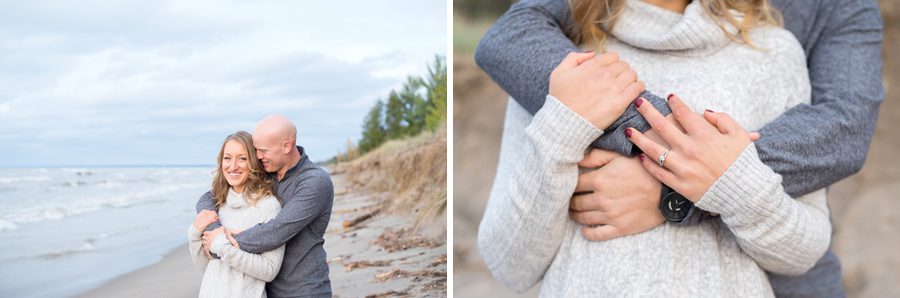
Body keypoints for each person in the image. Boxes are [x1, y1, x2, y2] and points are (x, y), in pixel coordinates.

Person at [475, 0, 883, 296]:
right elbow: (510, 266)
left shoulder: (775, 55)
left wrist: (683, 181)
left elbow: (844, 128)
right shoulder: (558, 60)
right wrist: (564, 123)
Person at [196, 115, 334, 297]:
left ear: (286, 146)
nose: (258, 156)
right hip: (263, 290)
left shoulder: (314, 181)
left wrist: (220, 244)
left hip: (303, 289)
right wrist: (215, 228)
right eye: (256, 150)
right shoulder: (266, 174)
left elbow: (276, 231)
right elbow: (208, 198)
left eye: (263, 150)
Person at [189, 131, 284, 297]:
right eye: (227, 158)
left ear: (254, 162)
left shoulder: (269, 206)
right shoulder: (218, 204)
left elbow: (269, 270)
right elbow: (205, 266)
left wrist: (221, 246)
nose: (233, 166)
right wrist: (194, 234)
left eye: (242, 158)